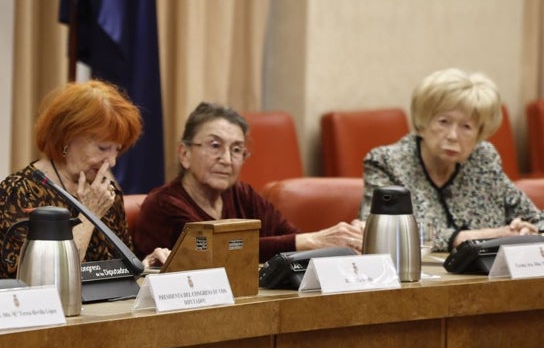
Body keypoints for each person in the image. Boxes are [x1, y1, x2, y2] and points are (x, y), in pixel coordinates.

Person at [133, 102, 363, 262]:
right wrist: (313, 240)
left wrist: (335, 242)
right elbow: (216, 252)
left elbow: (289, 236)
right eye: (215, 146)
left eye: (237, 150)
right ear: (184, 154)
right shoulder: (164, 204)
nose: (226, 159)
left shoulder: (241, 194)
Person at [0, 80, 169, 279]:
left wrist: (144, 267)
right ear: (68, 136)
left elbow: (119, 275)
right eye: (103, 148)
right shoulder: (19, 191)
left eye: (117, 150)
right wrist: (89, 214)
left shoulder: (106, 194)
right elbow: (40, 279)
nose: (111, 162)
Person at [361, 68, 541, 251]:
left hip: (485, 276)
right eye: (443, 122)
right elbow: (376, 234)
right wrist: (467, 237)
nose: (453, 136)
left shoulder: (483, 158)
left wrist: (524, 230)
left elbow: (536, 220)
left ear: (479, 133)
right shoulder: (386, 162)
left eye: (466, 126)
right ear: (423, 121)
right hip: (416, 276)